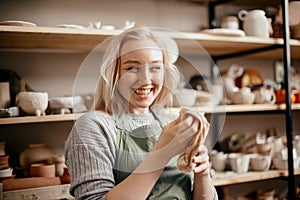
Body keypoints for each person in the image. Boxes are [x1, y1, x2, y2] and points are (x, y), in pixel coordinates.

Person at [65, 27, 218, 200]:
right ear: (114, 73)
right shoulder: (93, 126)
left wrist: (203, 172)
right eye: (133, 68)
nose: (145, 79)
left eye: (155, 68)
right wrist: (163, 153)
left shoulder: (171, 122)